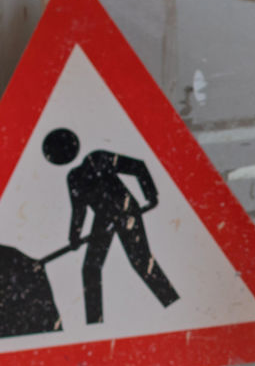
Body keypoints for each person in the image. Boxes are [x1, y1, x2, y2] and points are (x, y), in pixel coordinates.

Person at [43, 128, 180, 325]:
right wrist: (74, 237)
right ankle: (95, 324)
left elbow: (138, 167)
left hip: (125, 211)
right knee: (90, 268)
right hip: (104, 218)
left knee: (141, 262)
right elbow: (79, 210)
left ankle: (174, 305)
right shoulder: (74, 177)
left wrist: (151, 195)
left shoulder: (97, 158)